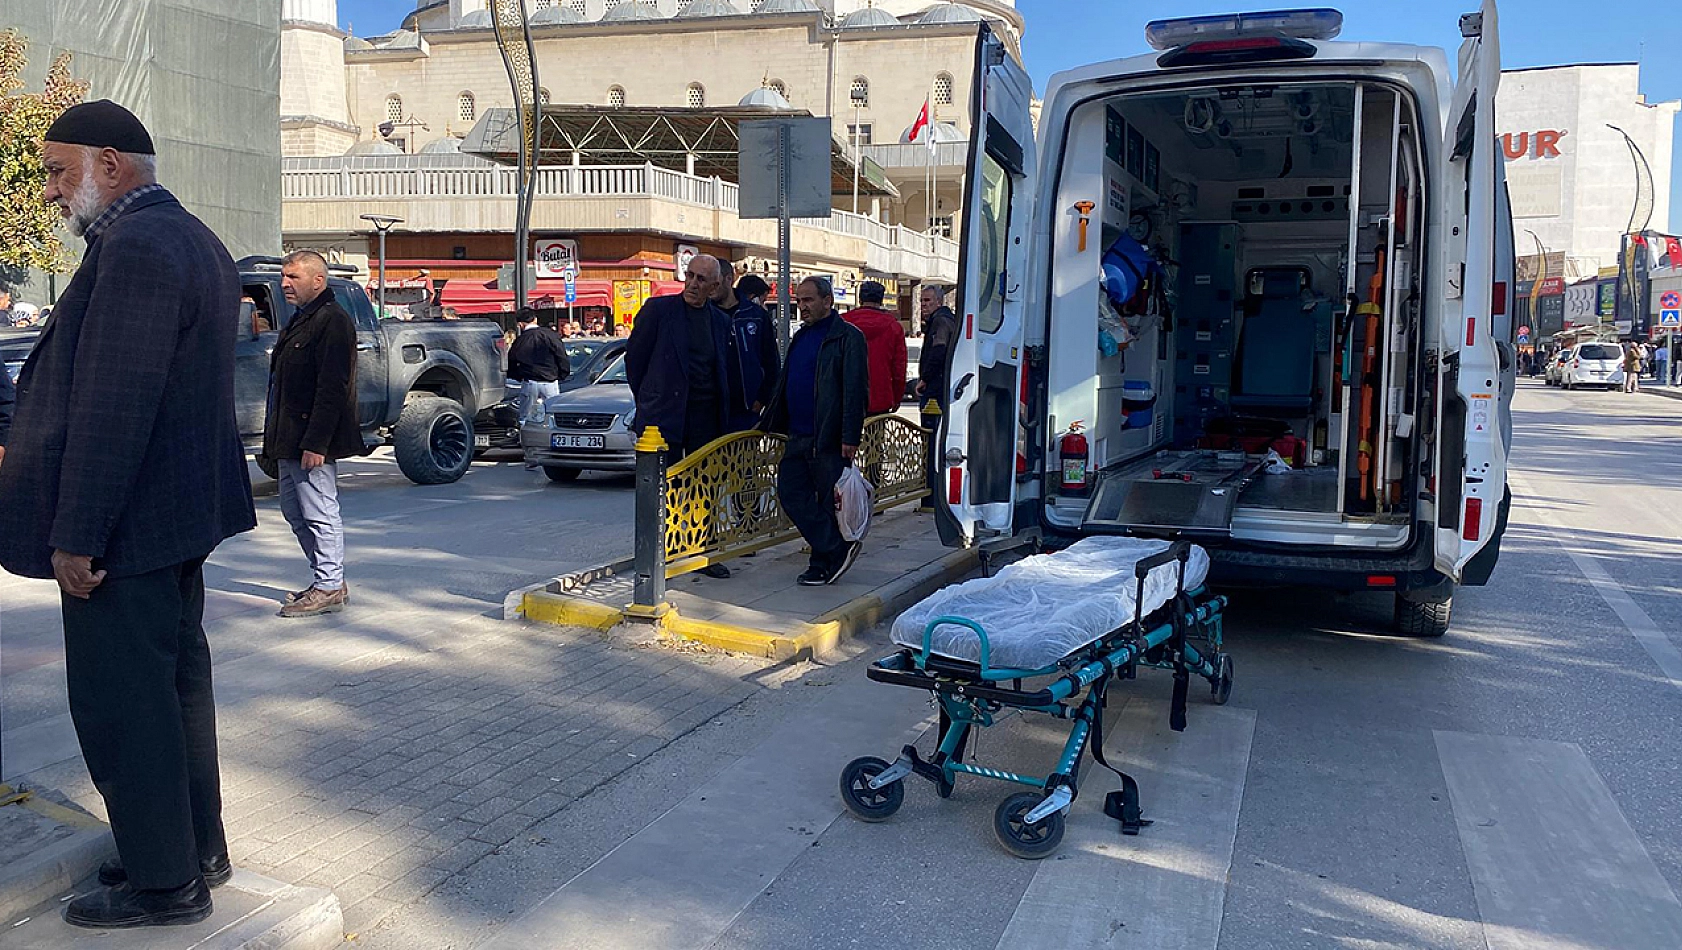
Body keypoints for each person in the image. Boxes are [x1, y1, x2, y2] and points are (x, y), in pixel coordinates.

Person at [0, 100, 256, 929]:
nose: (46, 191)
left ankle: (162, 883)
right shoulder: (189, 237)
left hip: (127, 534)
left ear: (110, 166)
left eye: (54, 170)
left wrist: (77, 536)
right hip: (172, 521)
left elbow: (114, 407)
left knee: (125, 707)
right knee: (176, 692)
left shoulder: (138, 247)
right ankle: (189, 849)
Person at [261, 249, 367, 618]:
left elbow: (332, 388)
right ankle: (328, 578)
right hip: (289, 438)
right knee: (295, 511)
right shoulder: (301, 319)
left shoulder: (332, 320)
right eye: (284, 276)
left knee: (319, 512)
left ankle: (328, 585)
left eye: (293, 277)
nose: (284, 283)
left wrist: (317, 443)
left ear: (318, 280)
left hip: (310, 440)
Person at [625, 254, 736, 578]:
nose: (692, 284)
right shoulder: (659, 312)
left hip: (706, 415)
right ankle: (664, 553)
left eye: (701, 280)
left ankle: (706, 552)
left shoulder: (719, 321)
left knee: (707, 487)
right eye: (689, 276)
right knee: (665, 487)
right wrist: (648, 400)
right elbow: (636, 361)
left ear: (715, 286)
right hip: (665, 416)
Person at [763, 276, 869, 587]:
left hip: (828, 436)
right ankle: (836, 549)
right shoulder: (802, 336)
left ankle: (822, 562)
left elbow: (854, 389)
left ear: (827, 301)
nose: (803, 306)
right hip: (797, 434)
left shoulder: (847, 337)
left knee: (826, 502)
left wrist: (851, 435)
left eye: (809, 300)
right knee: (791, 494)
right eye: (799, 300)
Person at [713, 259, 780, 432]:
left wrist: (761, 399)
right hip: (710, 411)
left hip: (745, 410)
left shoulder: (756, 315)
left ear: (728, 279)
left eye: (715, 282)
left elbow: (771, 361)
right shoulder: (703, 314)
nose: (710, 287)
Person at [843, 281, 908, 416]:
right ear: (881, 299)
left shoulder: (842, 323)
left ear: (860, 299)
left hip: (844, 396)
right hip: (880, 398)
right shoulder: (894, 327)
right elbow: (899, 368)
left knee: (845, 436)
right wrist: (896, 396)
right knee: (875, 436)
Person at [507, 307, 571, 422]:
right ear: (535, 319)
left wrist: (518, 376)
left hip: (530, 381)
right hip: (550, 381)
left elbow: (511, 361)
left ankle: (526, 438)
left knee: (525, 417)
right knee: (553, 416)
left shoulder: (521, 340)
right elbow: (561, 356)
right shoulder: (551, 335)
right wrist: (562, 374)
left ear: (520, 324)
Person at [915, 284, 959, 407]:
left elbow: (938, 352)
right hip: (941, 383)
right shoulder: (944, 320)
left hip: (936, 386)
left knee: (930, 423)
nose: (923, 304)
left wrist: (925, 379)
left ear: (939, 302)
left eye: (927, 300)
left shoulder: (941, 321)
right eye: (921, 300)